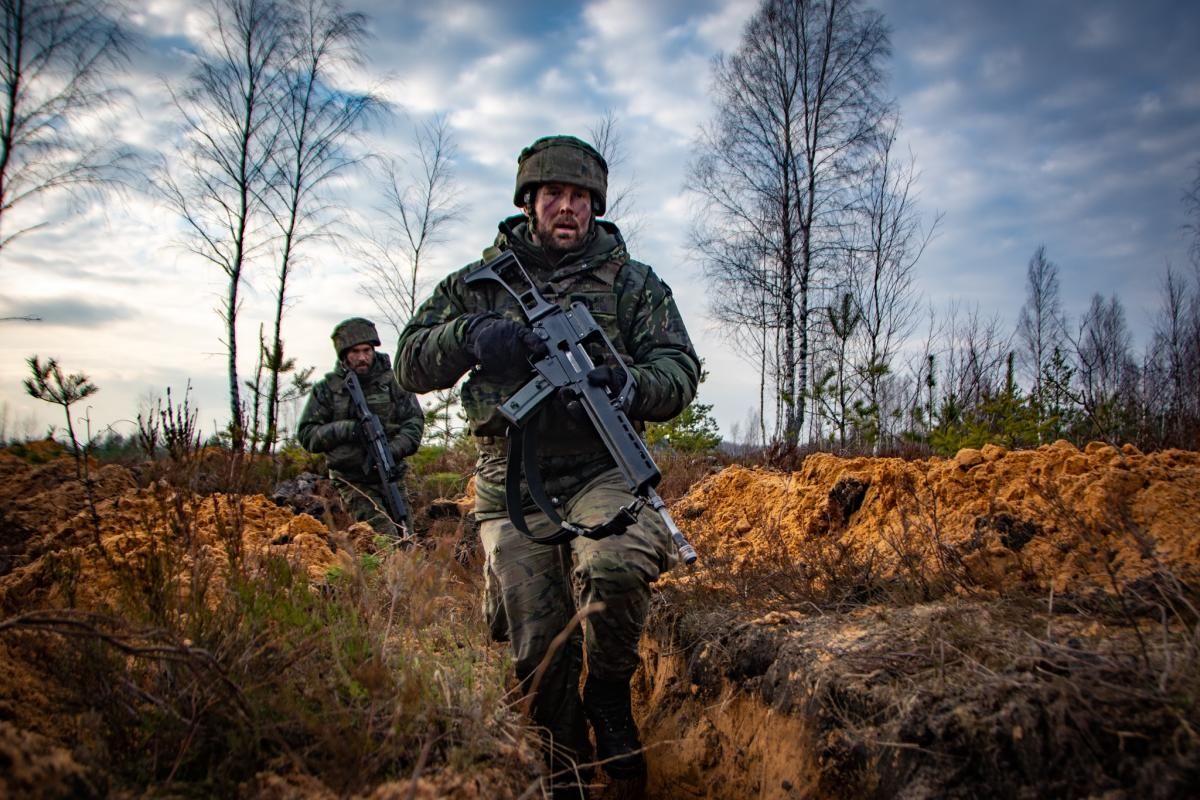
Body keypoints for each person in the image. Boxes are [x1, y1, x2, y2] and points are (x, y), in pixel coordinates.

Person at [395, 135, 700, 798]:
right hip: (511, 478)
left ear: (596, 206)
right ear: (529, 202)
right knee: (535, 636)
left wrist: (631, 384)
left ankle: (611, 696)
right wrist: (472, 336)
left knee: (615, 563)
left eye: (581, 198)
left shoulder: (634, 282)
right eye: (553, 195)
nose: (567, 208)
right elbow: (409, 362)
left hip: (604, 463)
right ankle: (562, 757)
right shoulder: (479, 283)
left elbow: (679, 370)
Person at [298, 317, 424, 538]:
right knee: (384, 538)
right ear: (344, 354)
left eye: (367, 350)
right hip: (352, 480)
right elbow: (308, 435)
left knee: (406, 537)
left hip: (390, 473)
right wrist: (349, 430)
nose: (363, 357)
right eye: (355, 352)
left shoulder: (393, 382)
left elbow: (413, 423)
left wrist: (391, 450)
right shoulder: (328, 389)